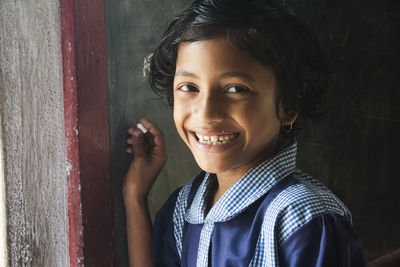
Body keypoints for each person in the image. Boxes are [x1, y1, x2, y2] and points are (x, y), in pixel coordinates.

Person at [123, 0, 366, 266]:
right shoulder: (183, 208)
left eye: (235, 89)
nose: (206, 114)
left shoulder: (304, 221)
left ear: (290, 106)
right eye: (189, 87)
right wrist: (135, 195)